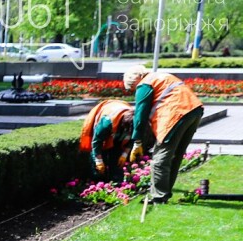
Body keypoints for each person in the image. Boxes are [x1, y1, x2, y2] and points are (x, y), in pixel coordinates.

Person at [121, 64, 204, 202]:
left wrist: (137, 141)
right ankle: (164, 193)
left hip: (175, 115)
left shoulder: (144, 84)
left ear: (134, 81)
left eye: (132, 89)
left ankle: (158, 197)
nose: (134, 92)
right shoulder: (162, 76)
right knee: (175, 155)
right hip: (194, 111)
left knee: (160, 160)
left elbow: (140, 116)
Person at [80, 98, 132, 178]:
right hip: (106, 115)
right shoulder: (106, 123)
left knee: (116, 161)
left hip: (119, 124)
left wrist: (125, 154)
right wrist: (98, 161)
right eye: (128, 131)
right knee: (98, 165)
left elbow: (133, 138)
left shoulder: (136, 122)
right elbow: (97, 141)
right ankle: (97, 179)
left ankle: (116, 180)